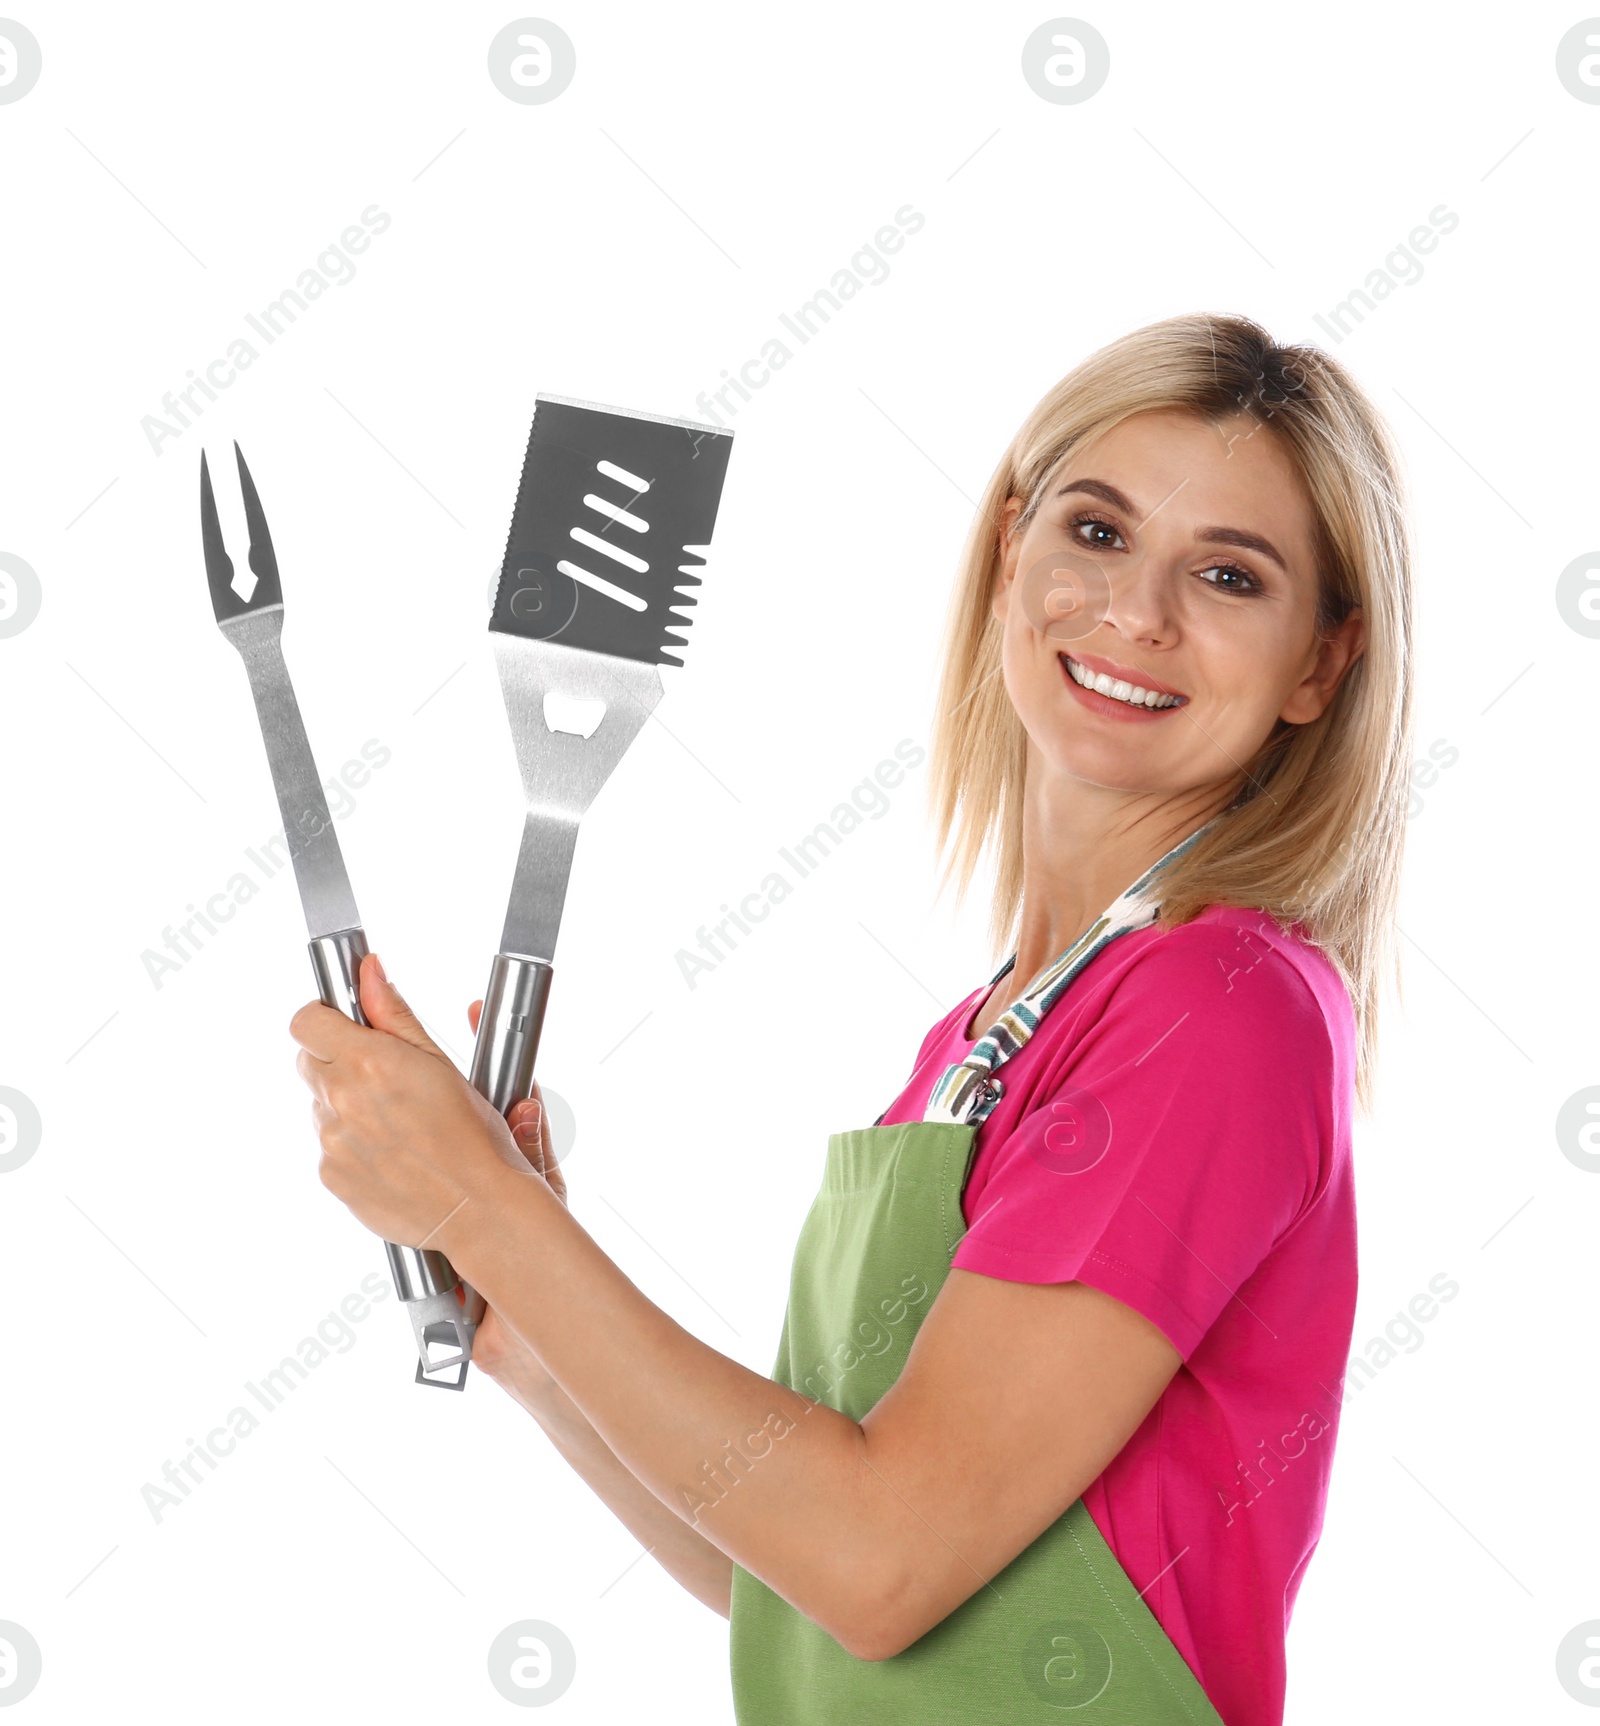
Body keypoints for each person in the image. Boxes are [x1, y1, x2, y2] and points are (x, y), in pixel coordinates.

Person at [290, 311, 1414, 1725]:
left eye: (1231, 575)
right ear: (1012, 553)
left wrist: (492, 1203)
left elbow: (882, 1556)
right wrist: (516, 1306)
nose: (1137, 612)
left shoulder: (1220, 1006)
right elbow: (790, 1568)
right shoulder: (989, 1032)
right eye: (1097, 531)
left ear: (1320, 665)